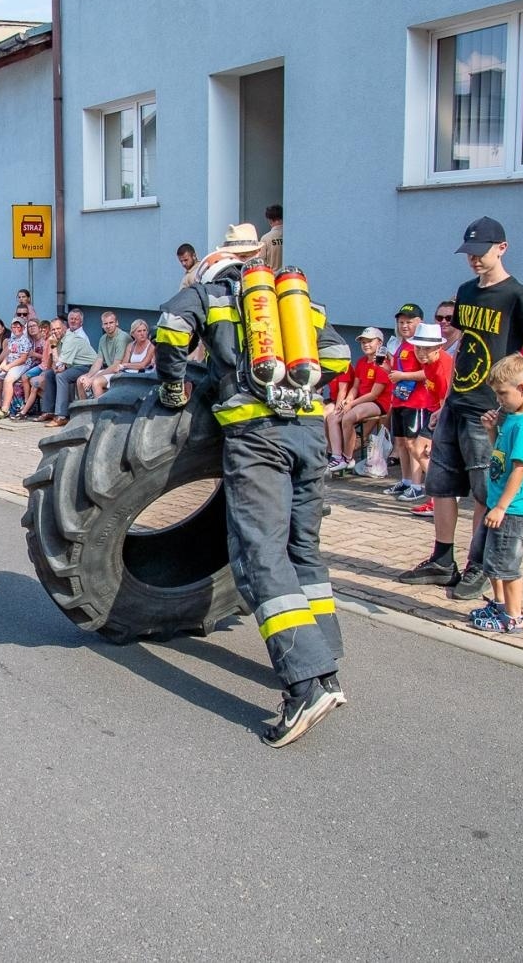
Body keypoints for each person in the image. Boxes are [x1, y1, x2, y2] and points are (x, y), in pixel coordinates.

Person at [154, 225, 351, 747]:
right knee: (301, 549)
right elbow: (336, 358)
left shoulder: (209, 292)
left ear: (214, 260)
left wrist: (176, 388)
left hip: (256, 435)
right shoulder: (295, 303)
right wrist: (296, 394)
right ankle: (325, 665)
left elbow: (171, 329)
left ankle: (305, 686)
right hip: (309, 433)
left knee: (260, 555)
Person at [397, 217, 523, 601]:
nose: (474, 260)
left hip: (489, 408)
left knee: (485, 490)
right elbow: (463, 347)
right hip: (458, 401)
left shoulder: (518, 295)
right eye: (469, 254)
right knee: (442, 484)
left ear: (501, 247)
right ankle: (442, 560)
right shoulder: (466, 292)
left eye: (480, 252)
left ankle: (479, 566)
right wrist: (446, 397)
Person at [467, 355, 523, 634]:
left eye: (503, 393)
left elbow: (520, 469)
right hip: (497, 504)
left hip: (512, 509)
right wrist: (491, 432)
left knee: (507, 565)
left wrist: (501, 506)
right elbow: (501, 454)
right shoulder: (511, 420)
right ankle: (499, 605)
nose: (499, 400)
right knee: (490, 560)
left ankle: (513, 617)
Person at [405, 323, 455, 516]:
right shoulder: (429, 363)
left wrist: (437, 429)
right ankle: (438, 496)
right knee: (421, 451)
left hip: (444, 414)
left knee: (420, 449)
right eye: (418, 347)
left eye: (427, 348)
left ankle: (443, 493)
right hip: (435, 411)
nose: (421, 352)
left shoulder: (443, 366)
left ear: (438, 347)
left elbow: (447, 399)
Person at [326, 327, 391, 472]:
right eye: (363, 342)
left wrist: (352, 404)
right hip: (361, 400)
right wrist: (348, 400)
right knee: (333, 417)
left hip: (378, 402)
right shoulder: (362, 362)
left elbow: (374, 394)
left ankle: (348, 458)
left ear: (379, 342)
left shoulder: (383, 364)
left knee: (349, 417)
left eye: (369, 341)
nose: (366, 344)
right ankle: (336, 457)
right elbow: (355, 387)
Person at [382, 303, 426, 500]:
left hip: (415, 401)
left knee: (412, 443)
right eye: (401, 322)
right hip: (399, 399)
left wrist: (401, 374)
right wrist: (387, 368)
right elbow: (396, 373)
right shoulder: (401, 345)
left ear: (419, 322)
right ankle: (406, 480)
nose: (404, 325)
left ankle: (418, 484)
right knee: (400, 442)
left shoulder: (421, 345)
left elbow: (427, 372)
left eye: (409, 321)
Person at [47, 308, 97, 427]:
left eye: (58, 328)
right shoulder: (60, 339)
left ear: (64, 328)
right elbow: (57, 364)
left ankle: (62, 416)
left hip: (89, 367)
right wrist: (56, 366)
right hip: (75, 366)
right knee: (49, 374)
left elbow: (60, 365)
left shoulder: (70, 339)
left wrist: (53, 346)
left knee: (61, 377)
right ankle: (48, 411)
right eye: (53, 329)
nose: (56, 332)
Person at [0, 317, 34, 419]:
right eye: (14, 327)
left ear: (23, 328)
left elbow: (23, 359)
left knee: (8, 380)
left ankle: (5, 409)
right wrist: (2, 364)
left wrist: (8, 366)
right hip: (10, 363)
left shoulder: (25, 340)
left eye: (19, 327)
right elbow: (8, 354)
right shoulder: (12, 339)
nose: (16, 329)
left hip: (21, 365)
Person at [77, 311, 128, 398]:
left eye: (111, 323)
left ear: (117, 323)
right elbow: (98, 361)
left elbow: (116, 366)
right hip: (109, 371)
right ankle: (85, 410)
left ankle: (99, 410)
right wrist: (88, 376)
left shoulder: (122, 338)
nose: (108, 326)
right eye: (105, 323)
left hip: (121, 372)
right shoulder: (103, 339)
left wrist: (92, 378)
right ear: (102, 325)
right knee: (80, 380)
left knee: (96, 382)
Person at [258, 203, 284, 272]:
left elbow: (261, 261)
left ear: (270, 220)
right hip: (289, 277)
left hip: (272, 277)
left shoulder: (265, 238)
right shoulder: (291, 236)